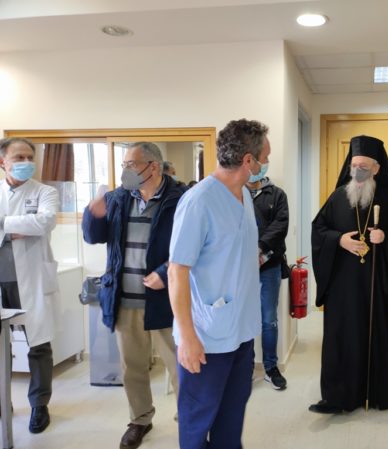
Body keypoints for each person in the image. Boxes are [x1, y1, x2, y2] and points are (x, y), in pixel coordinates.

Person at [168, 119, 268, 449]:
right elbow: (177, 271)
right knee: (198, 420)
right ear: (248, 161)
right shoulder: (199, 202)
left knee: (231, 417)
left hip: (240, 330)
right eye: (265, 157)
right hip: (206, 337)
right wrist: (187, 337)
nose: (266, 163)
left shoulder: (244, 196)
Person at [82, 142, 185, 449]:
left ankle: (190, 419)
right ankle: (140, 419)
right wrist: (93, 215)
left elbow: (193, 245)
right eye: (124, 164)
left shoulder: (180, 199)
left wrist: (165, 272)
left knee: (181, 367)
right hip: (125, 298)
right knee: (133, 366)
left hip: (167, 300)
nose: (124, 170)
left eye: (130, 164)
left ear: (152, 166)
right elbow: (93, 236)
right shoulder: (117, 198)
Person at [310, 135, 388, 413]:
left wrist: (386, 237)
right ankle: (336, 397)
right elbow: (319, 230)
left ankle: (377, 393)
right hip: (342, 285)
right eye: (354, 166)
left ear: (376, 168)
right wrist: (339, 240)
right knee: (340, 336)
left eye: (364, 167)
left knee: (374, 335)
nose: (357, 171)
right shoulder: (337, 197)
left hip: (376, 284)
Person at [0, 137, 59, 433]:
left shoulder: (45, 191)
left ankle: (39, 404)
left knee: (39, 345)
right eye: (18, 157)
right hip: (3, 283)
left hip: (32, 280)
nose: (26, 162)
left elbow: (44, 222)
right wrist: (21, 224)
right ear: (3, 162)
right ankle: (3, 403)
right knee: (1, 347)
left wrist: (3, 224)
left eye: (29, 157)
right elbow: (32, 224)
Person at [246, 171, 289, 390]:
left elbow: (280, 226)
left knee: (269, 319)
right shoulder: (233, 192)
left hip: (270, 266)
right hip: (241, 268)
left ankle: (271, 368)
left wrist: (260, 248)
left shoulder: (277, 194)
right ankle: (245, 368)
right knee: (243, 319)